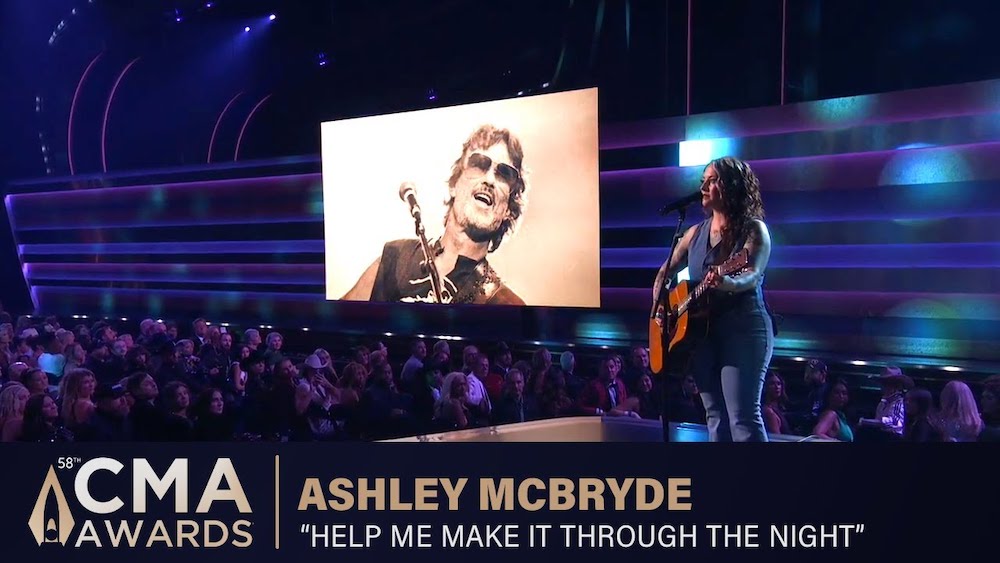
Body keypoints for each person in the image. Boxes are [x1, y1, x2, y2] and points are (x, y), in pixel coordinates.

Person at [651, 156, 774, 442]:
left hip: (743, 328)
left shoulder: (753, 230)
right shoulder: (694, 233)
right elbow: (663, 274)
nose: (703, 187)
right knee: (715, 415)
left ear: (731, 185)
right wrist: (660, 309)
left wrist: (727, 282)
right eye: (702, 181)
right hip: (701, 333)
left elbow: (752, 275)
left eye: (712, 180)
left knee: (743, 417)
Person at [343, 124, 528, 305]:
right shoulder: (396, 257)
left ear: (509, 210)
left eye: (504, 174)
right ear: (454, 184)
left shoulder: (506, 304)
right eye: (479, 164)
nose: (489, 179)